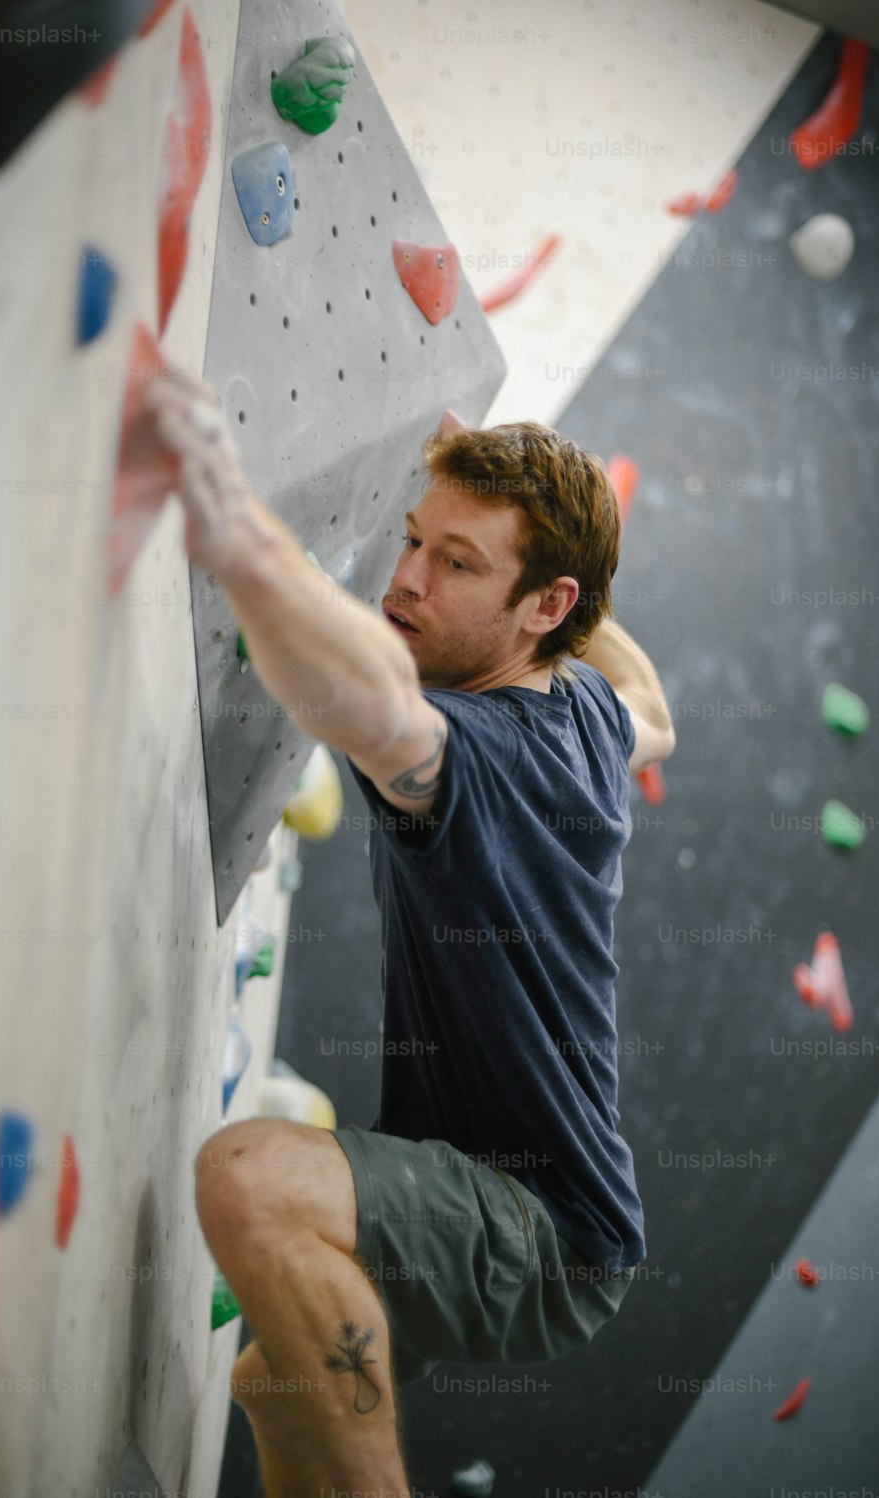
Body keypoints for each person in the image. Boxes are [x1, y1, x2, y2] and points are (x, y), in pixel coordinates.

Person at [145, 370, 676, 1497]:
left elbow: (367, 704)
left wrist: (229, 518)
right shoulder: (584, 711)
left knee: (250, 1177)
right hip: (530, 1201)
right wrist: (571, 608)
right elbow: (657, 710)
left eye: (457, 563)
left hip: (546, 1226)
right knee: (273, 1384)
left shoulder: (477, 753)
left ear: (542, 604)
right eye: (414, 539)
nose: (406, 581)